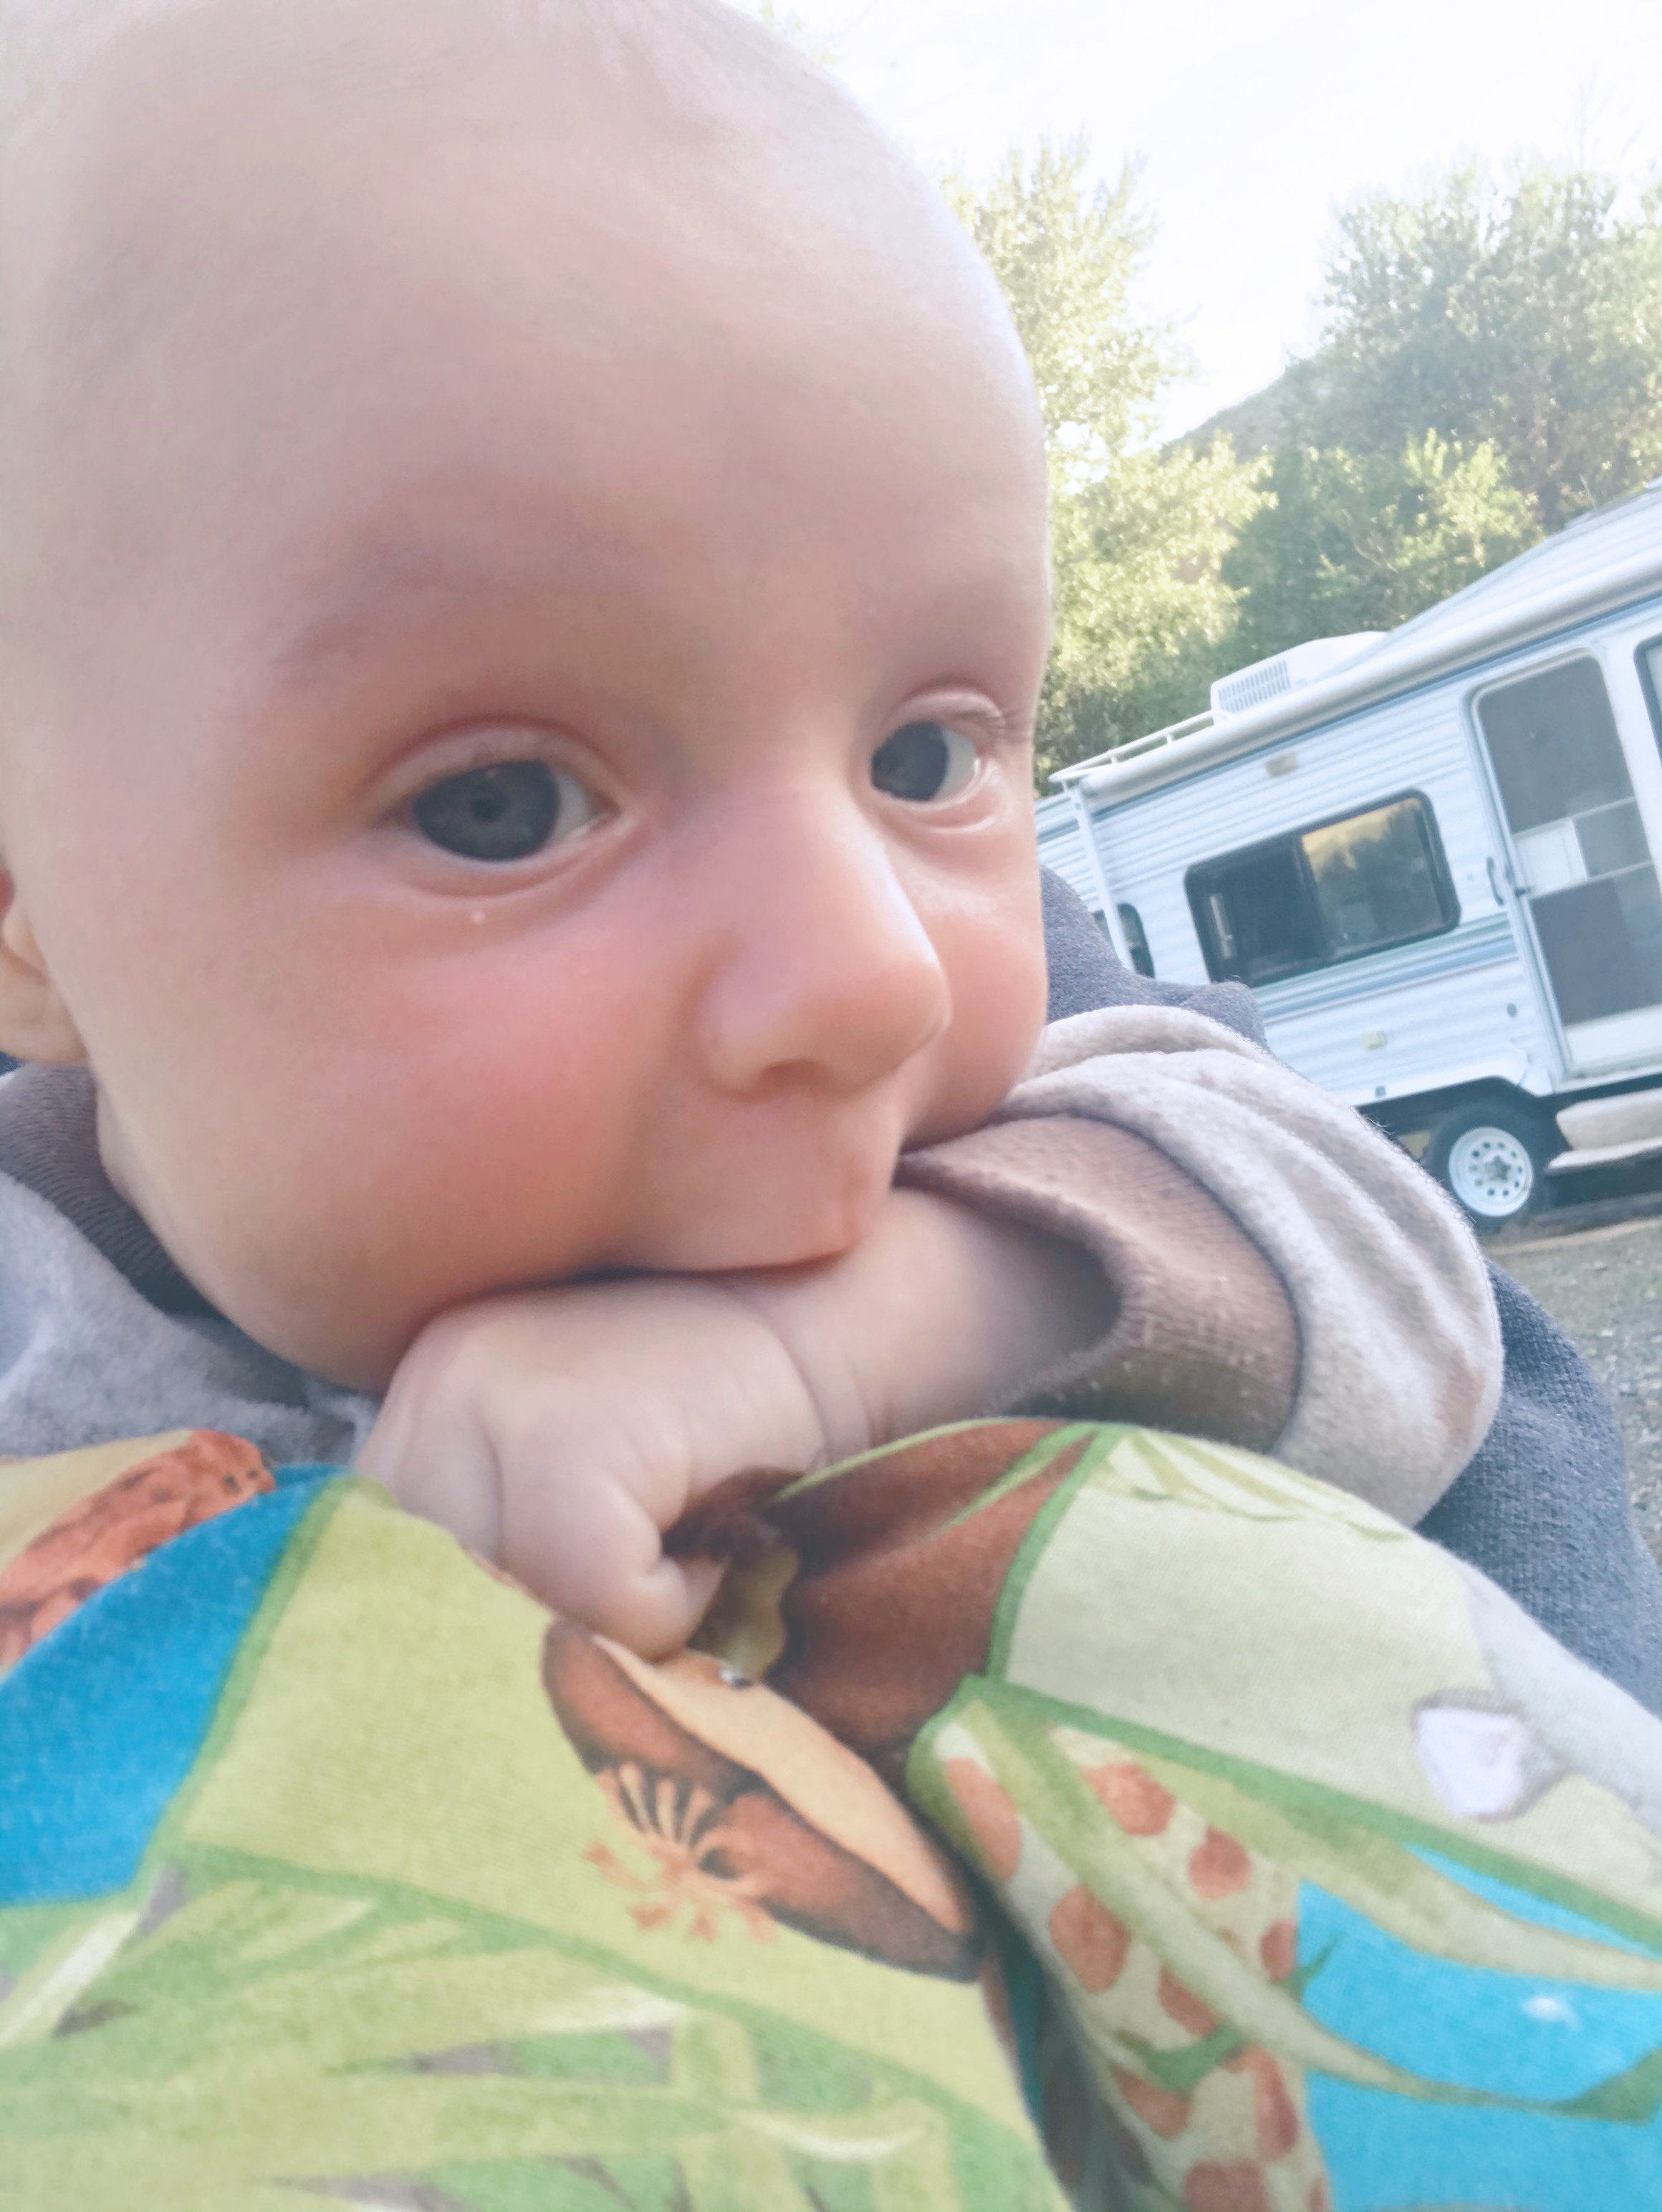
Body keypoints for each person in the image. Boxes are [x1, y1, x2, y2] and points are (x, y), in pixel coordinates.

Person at [0, 0, 1607, 1684]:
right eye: (502, 805)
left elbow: (1404, 1287)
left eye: (923, 757)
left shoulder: (1054, 1143)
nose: (872, 972)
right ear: (31, 911)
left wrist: (851, 1340)